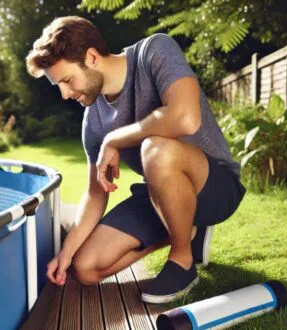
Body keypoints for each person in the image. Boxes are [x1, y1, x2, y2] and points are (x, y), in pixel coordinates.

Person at [25, 16, 246, 304]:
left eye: (67, 80)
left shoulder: (154, 51)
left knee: (156, 149)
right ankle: (187, 230)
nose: (65, 94)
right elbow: (95, 193)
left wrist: (116, 139)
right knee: (86, 268)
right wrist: (66, 252)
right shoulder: (93, 121)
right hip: (160, 194)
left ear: (91, 57)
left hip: (216, 186)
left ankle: (182, 260)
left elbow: (185, 118)